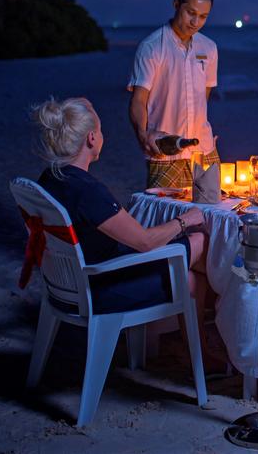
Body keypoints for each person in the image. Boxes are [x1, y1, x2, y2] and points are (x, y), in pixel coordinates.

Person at [32, 96, 226, 371]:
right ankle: (223, 338)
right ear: (91, 139)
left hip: (68, 283)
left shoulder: (50, 178)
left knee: (192, 275)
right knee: (200, 242)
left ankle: (189, 349)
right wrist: (185, 220)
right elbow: (145, 242)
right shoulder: (88, 192)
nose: (103, 135)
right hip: (101, 286)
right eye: (100, 130)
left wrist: (77, 109)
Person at [128, 0, 219, 189]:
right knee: (164, 207)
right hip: (166, 152)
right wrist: (143, 135)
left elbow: (203, 97)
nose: (195, 22)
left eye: (203, 16)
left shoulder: (209, 48)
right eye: (190, 13)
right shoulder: (151, 47)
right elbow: (138, 100)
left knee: (214, 207)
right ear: (176, 4)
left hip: (204, 149)